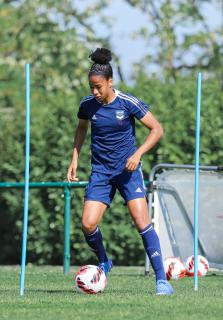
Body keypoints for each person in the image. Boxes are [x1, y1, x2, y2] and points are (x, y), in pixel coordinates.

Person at [66, 48, 173, 295]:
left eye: (98, 87)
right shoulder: (87, 105)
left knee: (141, 221)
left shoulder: (128, 103)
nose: (94, 91)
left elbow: (157, 129)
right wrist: (74, 159)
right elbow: (81, 129)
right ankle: (104, 261)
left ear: (110, 82)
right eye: (91, 87)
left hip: (128, 171)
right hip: (101, 172)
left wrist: (137, 155)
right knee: (87, 224)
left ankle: (161, 281)